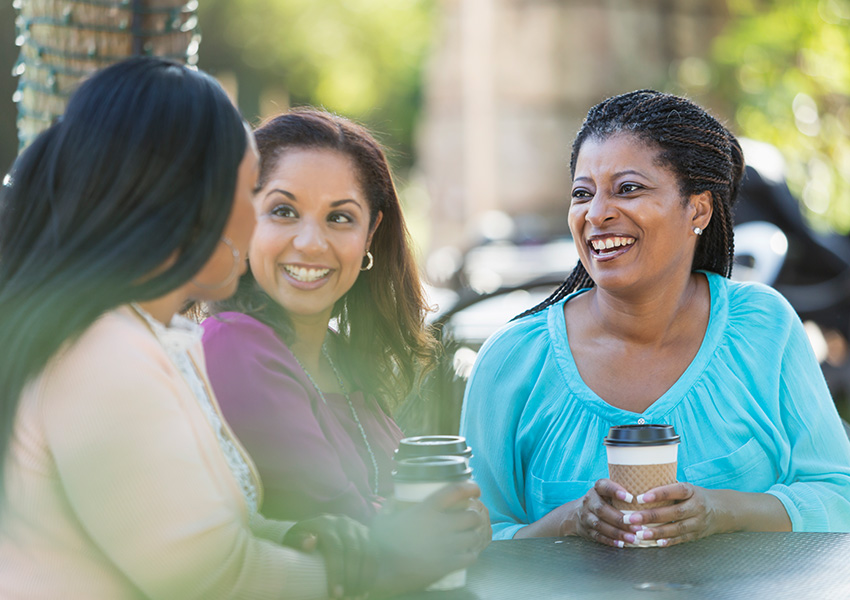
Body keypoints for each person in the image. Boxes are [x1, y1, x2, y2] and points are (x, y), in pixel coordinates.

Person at [0, 57, 459, 600]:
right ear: (184, 201)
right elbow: (214, 580)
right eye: (253, 196)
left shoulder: (154, 339)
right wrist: (390, 567)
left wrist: (300, 536)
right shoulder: (102, 356)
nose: (256, 222)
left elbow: (198, 532)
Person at [460, 89, 850, 548]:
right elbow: (468, 545)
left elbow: (837, 496)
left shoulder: (764, 328)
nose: (597, 214)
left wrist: (721, 512)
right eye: (582, 194)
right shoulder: (512, 363)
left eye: (628, 189)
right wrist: (571, 522)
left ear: (698, 209)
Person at [200, 107, 489, 577]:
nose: (311, 243)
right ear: (244, 219)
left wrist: (464, 521)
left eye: (339, 217)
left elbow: (410, 525)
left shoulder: (343, 358)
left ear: (370, 234)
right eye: (283, 211)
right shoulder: (234, 346)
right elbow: (355, 527)